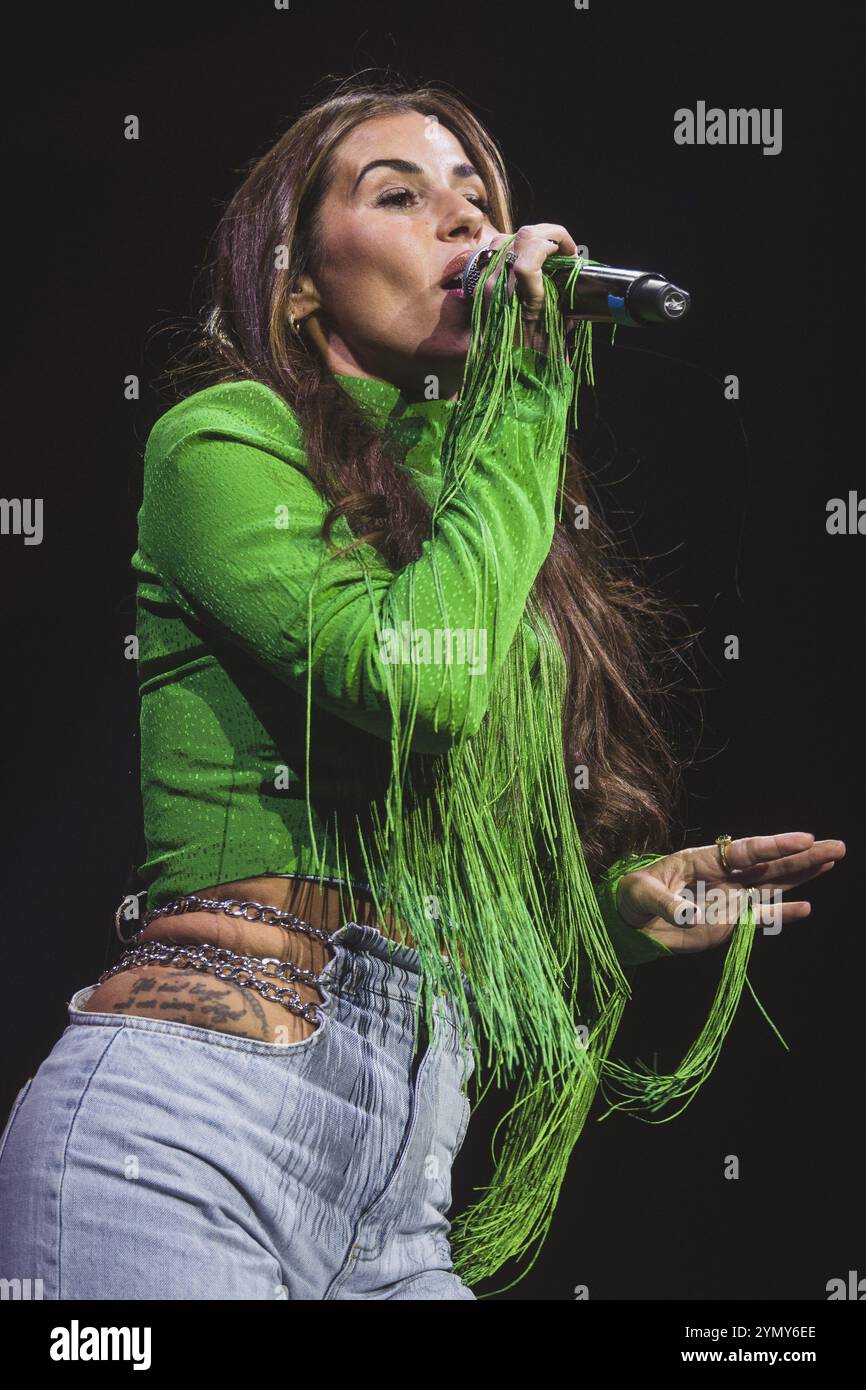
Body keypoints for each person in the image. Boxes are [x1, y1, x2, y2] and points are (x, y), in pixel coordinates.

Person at [0, 77, 845, 1301]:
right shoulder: (221, 439)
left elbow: (438, 888)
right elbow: (410, 685)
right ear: (298, 281)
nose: (464, 225)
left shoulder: (473, 514)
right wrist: (531, 394)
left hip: (400, 1197)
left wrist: (619, 912)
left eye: (476, 197)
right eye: (398, 195)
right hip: (185, 1137)